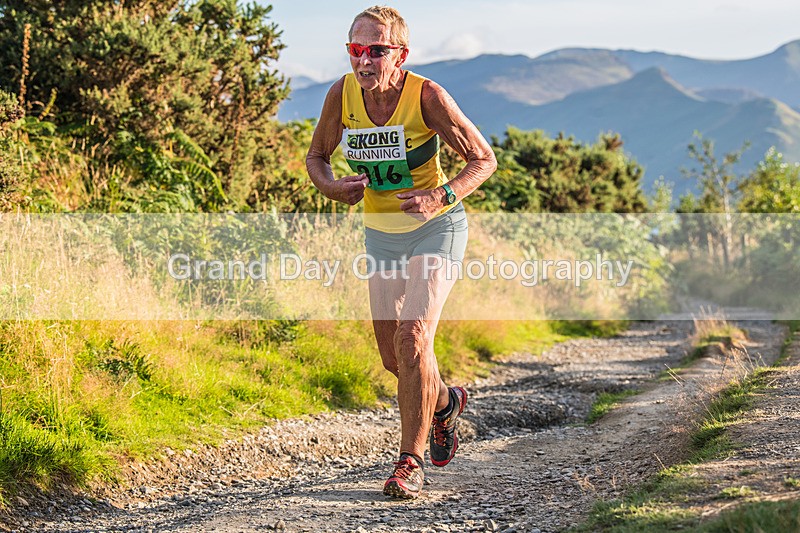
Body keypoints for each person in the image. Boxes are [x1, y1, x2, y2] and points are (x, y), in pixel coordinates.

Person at [305, 5, 496, 499]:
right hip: (382, 233)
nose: (363, 60)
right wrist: (332, 188)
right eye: (356, 49)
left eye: (376, 50)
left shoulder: (427, 96)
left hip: (435, 229)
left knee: (413, 337)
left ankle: (409, 462)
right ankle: (445, 402)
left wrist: (439, 196)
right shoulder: (341, 94)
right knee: (396, 357)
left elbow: (483, 159)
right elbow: (317, 156)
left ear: (400, 54)